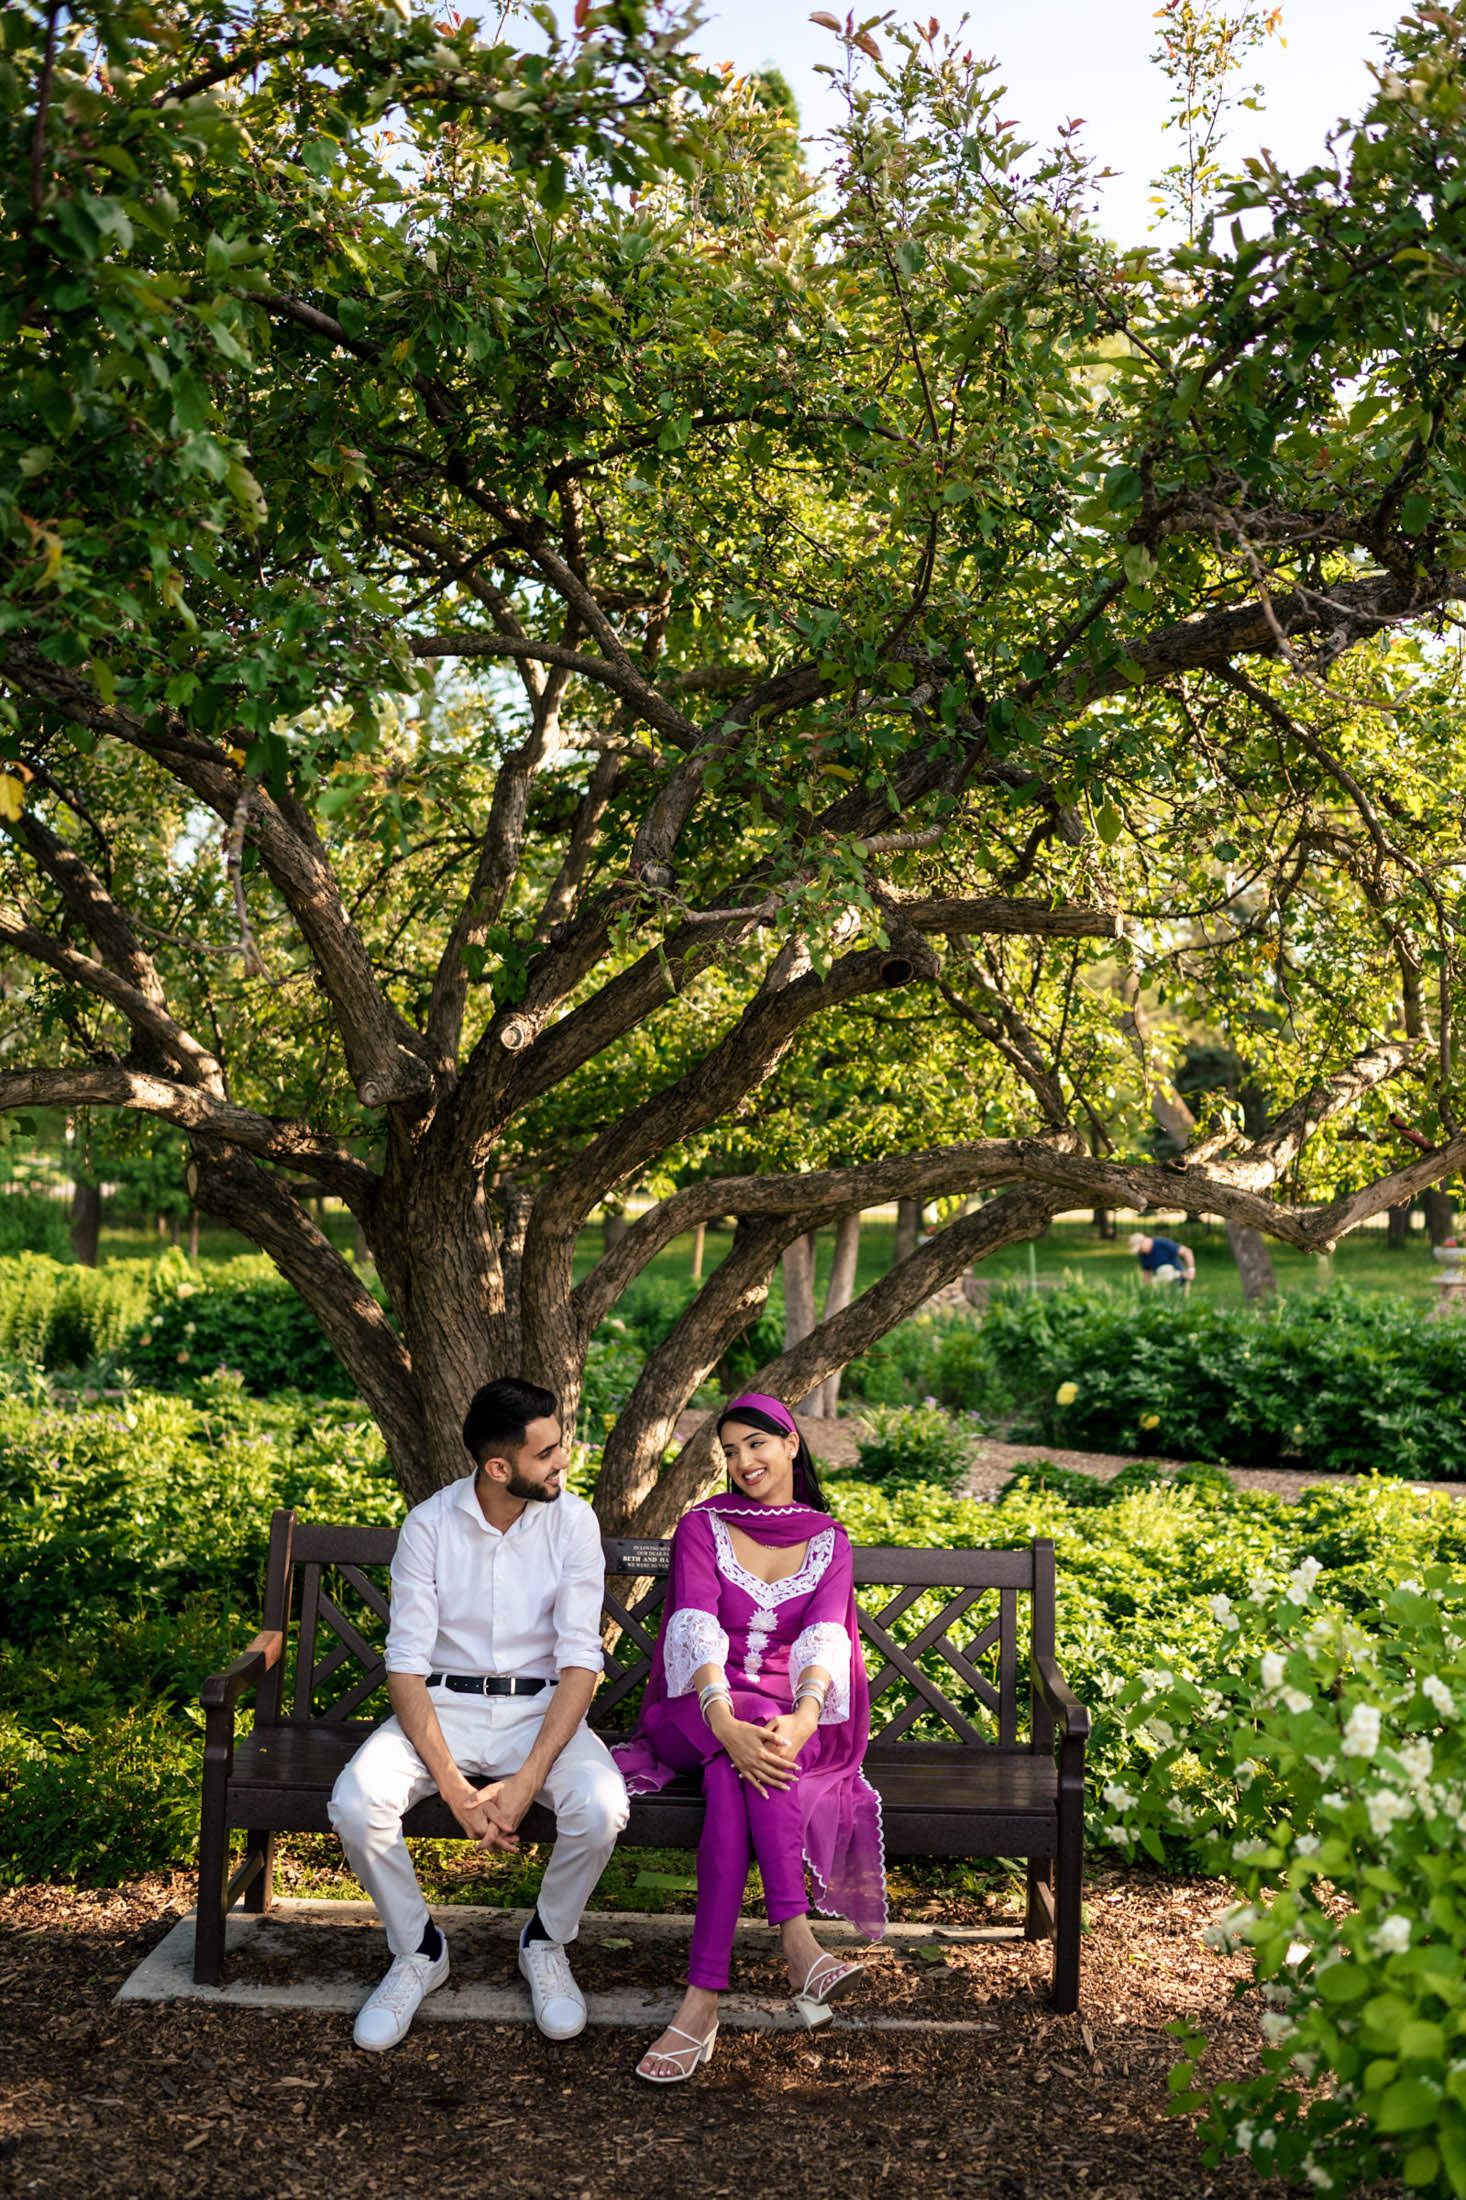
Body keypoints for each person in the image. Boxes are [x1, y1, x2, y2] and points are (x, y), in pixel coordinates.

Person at [327, 1378, 629, 2053]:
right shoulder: (430, 1524)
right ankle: (418, 1951)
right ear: (499, 1468)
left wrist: (525, 1781)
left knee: (602, 1807)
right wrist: (456, 1787)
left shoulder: (573, 1521)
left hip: (542, 1711)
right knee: (356, 1803)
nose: (563, 1462)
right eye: (548, 1452)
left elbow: (582, 1660)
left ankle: (545, 1941)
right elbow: (404, 1667)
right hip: (443, 1708)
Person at [615, 1392, 886, 2083]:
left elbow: (826, 1635)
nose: (743, 1462)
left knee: (736, 1774)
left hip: (774, 1720)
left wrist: (800, 1720)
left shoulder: (829, 1539)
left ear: (791, 1443)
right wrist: (723, 1719)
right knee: (733, 1756)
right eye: (730, 1452)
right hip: (694, 1709)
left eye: (755, 1445)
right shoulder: (702, 1526)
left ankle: (700, 2002)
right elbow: (694, 1629)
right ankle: (798, 1944)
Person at [1129, 1231, 1195, 1289]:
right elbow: (1147, 1273)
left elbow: (1187, 1252)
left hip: (1176, 1273)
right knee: (1154, 1283)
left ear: (1144, 1241)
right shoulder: (1143, 1254)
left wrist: (1191, 1271)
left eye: (1141, 1248)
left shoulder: (1161, 1243)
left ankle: (1179, 1282)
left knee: (1164, 1269)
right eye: (1139, 1250)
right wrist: (1147, 1289)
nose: (1141, 1251)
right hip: (1162, 1278)